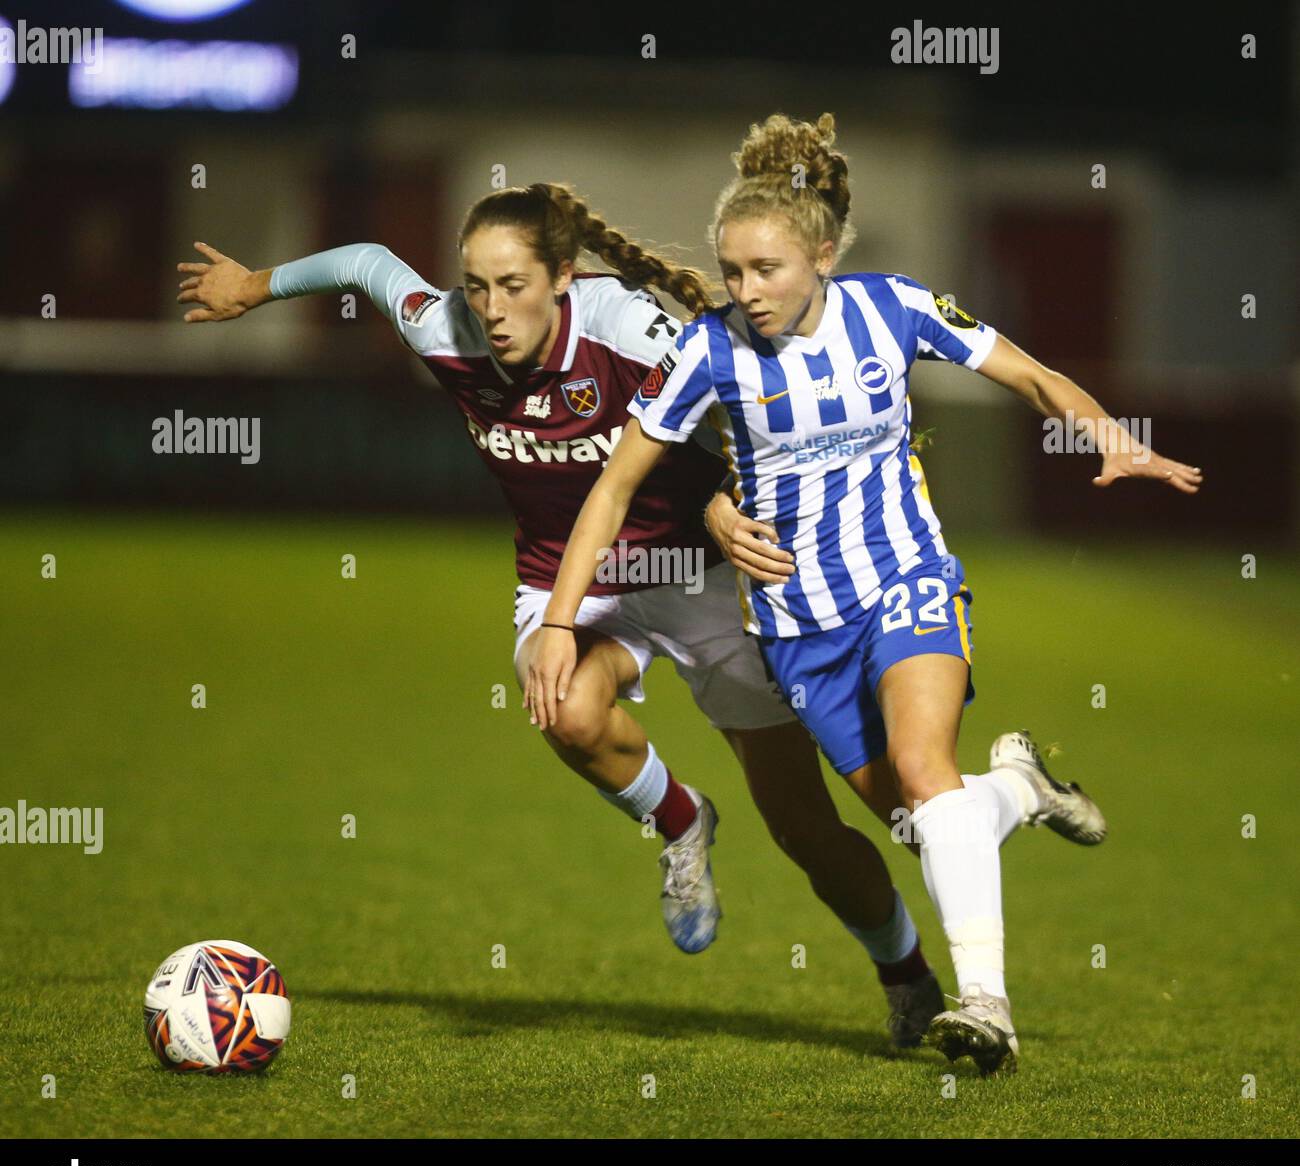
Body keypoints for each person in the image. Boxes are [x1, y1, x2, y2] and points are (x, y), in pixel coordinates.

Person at [174, 182, 984, 1047]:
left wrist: (720, 500)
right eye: (475, 286)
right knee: (559, 704)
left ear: (564, 276)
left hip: (705, 578)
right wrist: (258, 285)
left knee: (807, 826)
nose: (490, 309)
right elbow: (367, 265)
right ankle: (679, 819)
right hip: (575, 583)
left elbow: (747, 405)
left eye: (514, 284)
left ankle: (909, 976)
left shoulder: (628, 327)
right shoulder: (441, 326)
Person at [527, 115, 1202, 1075]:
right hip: (800, 632)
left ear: (823, 256)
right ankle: (1020, 787)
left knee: (927, 772)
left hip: (907, 580)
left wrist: (1108, 435)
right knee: (921, 816)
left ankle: (986, 1006)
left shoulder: (894, 307)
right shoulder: (706, 353)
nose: (747, 291)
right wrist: (561, 619)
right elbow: (616, 486)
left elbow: (1034, 376)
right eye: (733, 270)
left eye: (768, 269)